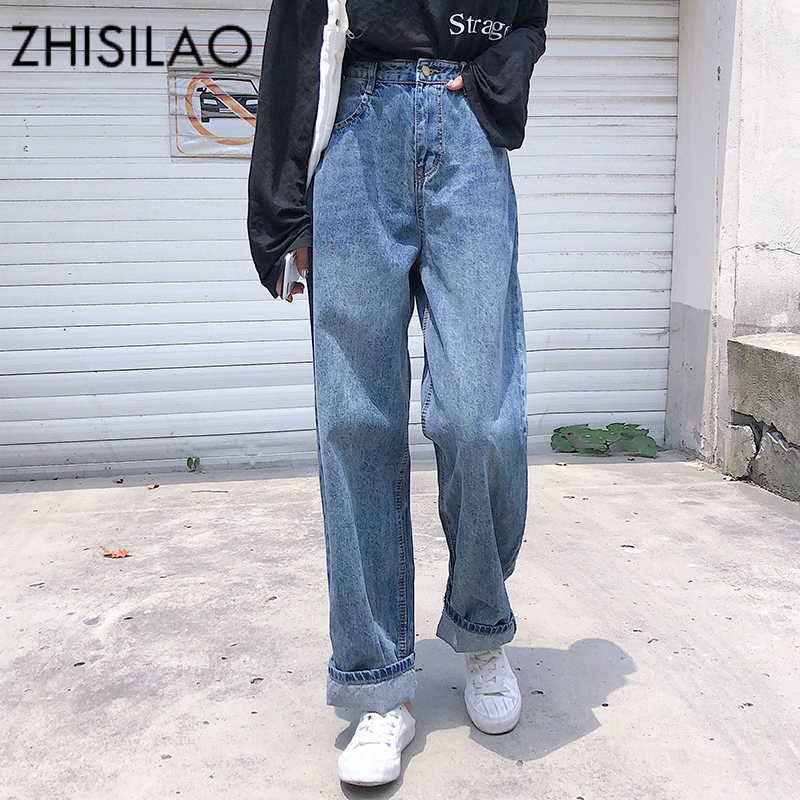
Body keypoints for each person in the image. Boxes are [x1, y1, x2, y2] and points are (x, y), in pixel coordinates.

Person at [248, 0, 547, 787]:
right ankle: (377, 683)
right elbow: (295, 34)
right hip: (357, 126)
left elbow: (530, 20)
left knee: (482, 415)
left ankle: (481, 624)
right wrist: (281, 209)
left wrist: (492, 81)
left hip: (467, 138)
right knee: (355, 422)